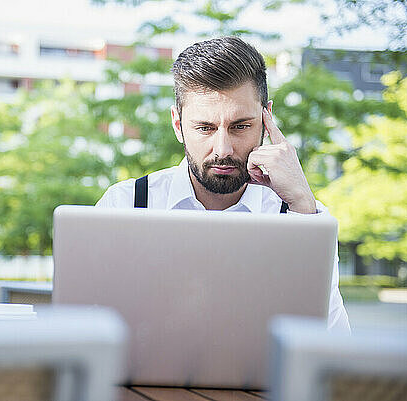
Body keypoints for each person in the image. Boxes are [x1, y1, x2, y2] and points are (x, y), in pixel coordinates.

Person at [95, 36, 350, 332]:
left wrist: (304, 207)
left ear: (267, 118)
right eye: (205, 128)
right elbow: (83, 335)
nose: (223, 149)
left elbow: (332, 344)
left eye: (240, 126)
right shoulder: (125, 205)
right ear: (178, 125)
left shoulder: (303, 215)